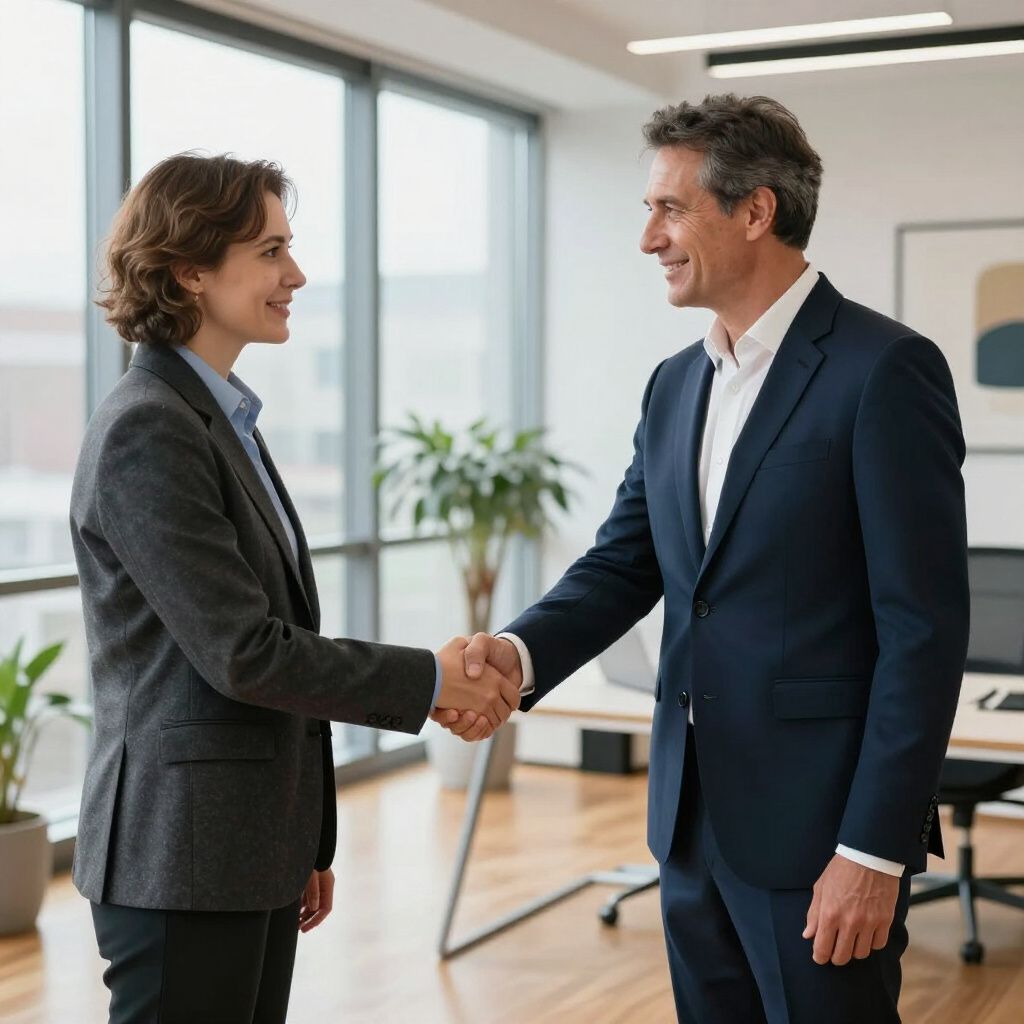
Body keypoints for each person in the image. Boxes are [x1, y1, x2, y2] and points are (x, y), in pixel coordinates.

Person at [435, 94, 969, 1023]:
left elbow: (921, 632)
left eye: (670, 210)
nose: (649, 238)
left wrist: (873, 850)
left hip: (820, 833)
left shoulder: (884, 369)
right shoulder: (675, 384)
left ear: (756, 211)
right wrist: (515, 658)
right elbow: (622, 565)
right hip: (688, 822)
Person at [69, 152, 520, 1024]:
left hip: (241, 845)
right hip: (181, 856)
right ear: (190, 270)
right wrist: (434, 679)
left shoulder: (218, 416)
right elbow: (244, 651)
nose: (297, 275)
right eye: (271, 251)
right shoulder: (149, 429)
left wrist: (298, 839)